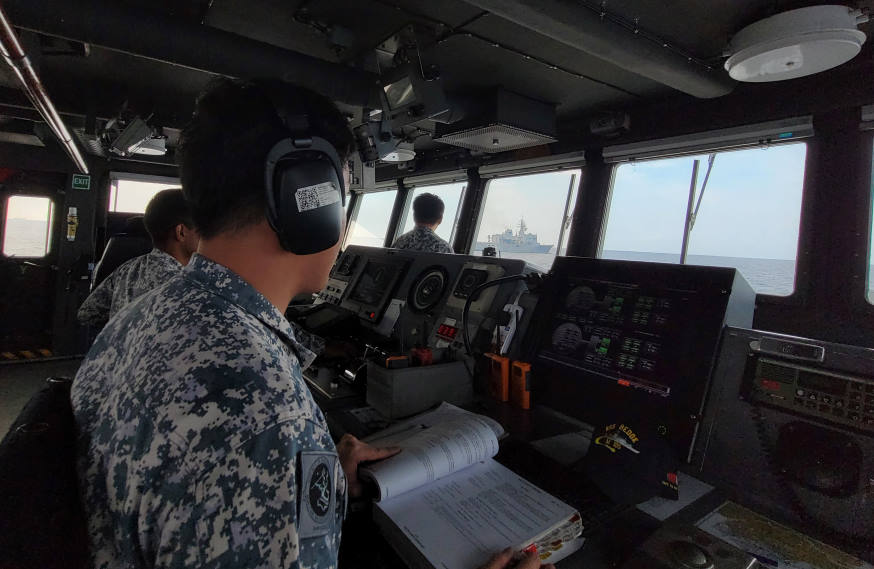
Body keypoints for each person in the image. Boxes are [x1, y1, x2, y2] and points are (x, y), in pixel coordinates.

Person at [71, 78, 549, 569]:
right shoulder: (264, 413)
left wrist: (315, 482)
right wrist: (284, 458)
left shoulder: (140, 316)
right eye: (341, 197)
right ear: (308, 203)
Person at [76, 188, 199, 326]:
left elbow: (86, 314)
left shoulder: (126, 270)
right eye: (202, 230)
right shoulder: (187, 285)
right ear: (181, 232)